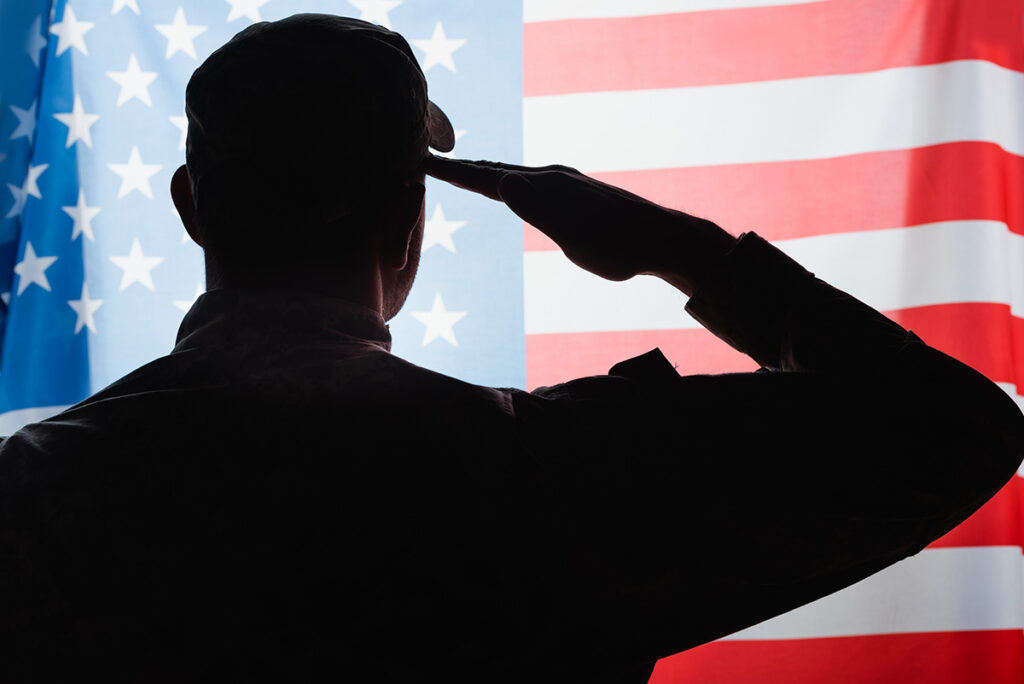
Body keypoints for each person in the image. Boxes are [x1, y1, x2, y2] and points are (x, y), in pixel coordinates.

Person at [1, 12, 1022, 683]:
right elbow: (953, 430)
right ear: (411, 215)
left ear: (191, 207)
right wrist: (681, 249)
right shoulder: (547, 468)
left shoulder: (33, 489)